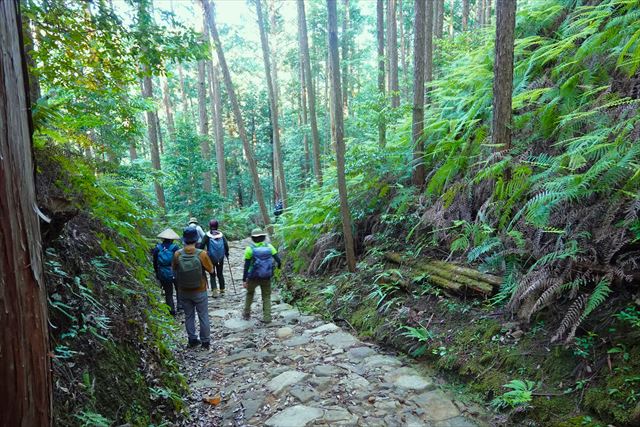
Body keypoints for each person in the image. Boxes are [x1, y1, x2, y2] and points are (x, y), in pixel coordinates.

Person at [173, 227, 214, 349]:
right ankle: (205, 342)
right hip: (200, 290)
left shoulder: (177, 254)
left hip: (183, 290)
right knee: (203, 315)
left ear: (184, 240)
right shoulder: (201, 254)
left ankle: (192, 340)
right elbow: (211, 270)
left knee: (189, 315)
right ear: (196, 239)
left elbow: (174, 270)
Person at [242, 228, 281, 323]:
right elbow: (278, 261)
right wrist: (277, 269)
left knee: (250, 294)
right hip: (266, 276)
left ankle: (246, 313)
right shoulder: (270, 247)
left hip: (253, 277)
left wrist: (244, 279)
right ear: (263, 237)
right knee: (266, 296)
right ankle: (267, 317)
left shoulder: (249, 249)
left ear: (252, 238)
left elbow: (246, 266)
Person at [152, 228, 181, 316]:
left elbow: (155, 262)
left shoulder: (157, 248)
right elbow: (179, 260)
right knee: (178, 289)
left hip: (163, 272)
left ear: (163, 238)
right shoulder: (175, 247)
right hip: (175, 271)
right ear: (172, 239)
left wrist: (157, 273)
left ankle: (171, 310)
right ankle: (180, 306)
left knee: (168, 292)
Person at [200, 219, 229, 297]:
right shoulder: (221, 235)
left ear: (210, 226)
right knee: (220, 273)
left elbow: (201, 245)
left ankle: (214, 290)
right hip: (220, 257)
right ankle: (222, 290)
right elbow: (226, 245)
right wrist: (227, 254)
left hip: (210, 258)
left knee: (212, 273)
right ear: (217, 226)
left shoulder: (207, 235)